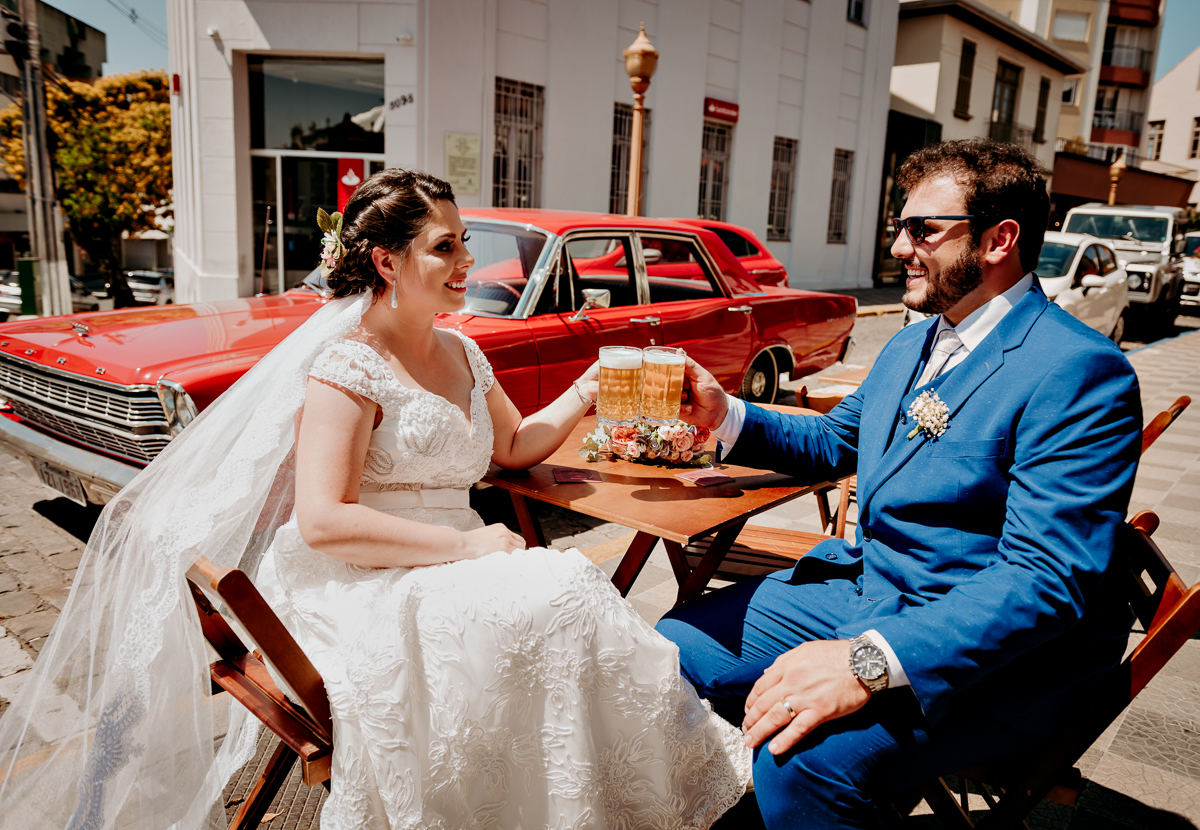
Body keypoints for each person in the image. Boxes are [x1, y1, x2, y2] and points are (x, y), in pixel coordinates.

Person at [0, 169, 749, 830]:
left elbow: (513, 446)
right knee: (558, 593)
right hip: (359, 576)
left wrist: (586, 391)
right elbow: (325, 521)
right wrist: (471, 544)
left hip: (455, 559)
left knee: (566, 593)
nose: (466, 263)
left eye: (462, 244)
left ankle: (590, 797)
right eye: (446, 247)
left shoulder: (462, 349)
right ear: (388, 262)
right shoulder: (347, 367)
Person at [658, 138, 1143, 829]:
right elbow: (834, 441)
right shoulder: (914, 340)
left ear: (1000, 239)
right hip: (866, 587)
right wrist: (726, 414)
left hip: (989, 656)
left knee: (802, 761)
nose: (898, 248)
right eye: (898, 227)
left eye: (922, 229)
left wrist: (865, 664)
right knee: (666, 652)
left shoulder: (1078, 372)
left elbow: (1045, 580)